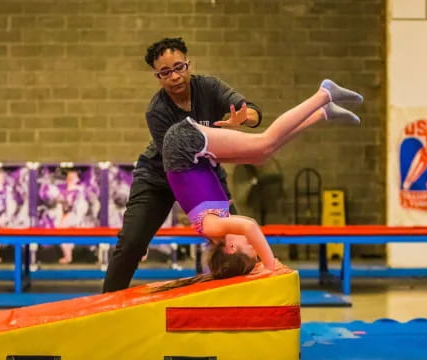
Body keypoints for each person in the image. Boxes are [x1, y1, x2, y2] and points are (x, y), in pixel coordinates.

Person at [102, 37, 263, 292]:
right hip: (158, 177)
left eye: (179, 67)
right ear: (157, 76)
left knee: (235, 238)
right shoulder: (156, 111)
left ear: (189, 64)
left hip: (203, 171)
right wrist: (200, 214)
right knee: (131, 243)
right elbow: (177, 163)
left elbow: (251, 111)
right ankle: (105, 305)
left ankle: (240, 294)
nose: (174, 76)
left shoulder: (209, 87)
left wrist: (245, 119)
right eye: (165, 72)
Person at [162, 79, 363, 278]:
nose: (251, 241)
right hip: (194, 158)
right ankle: (323, 112)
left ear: (231, 247)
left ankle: (324, 94)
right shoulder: (217, 229)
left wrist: (270, 264)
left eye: (249, 245)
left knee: (264, 141)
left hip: (182, 145)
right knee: (262, 155)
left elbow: (250, 226)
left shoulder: (213, 227)